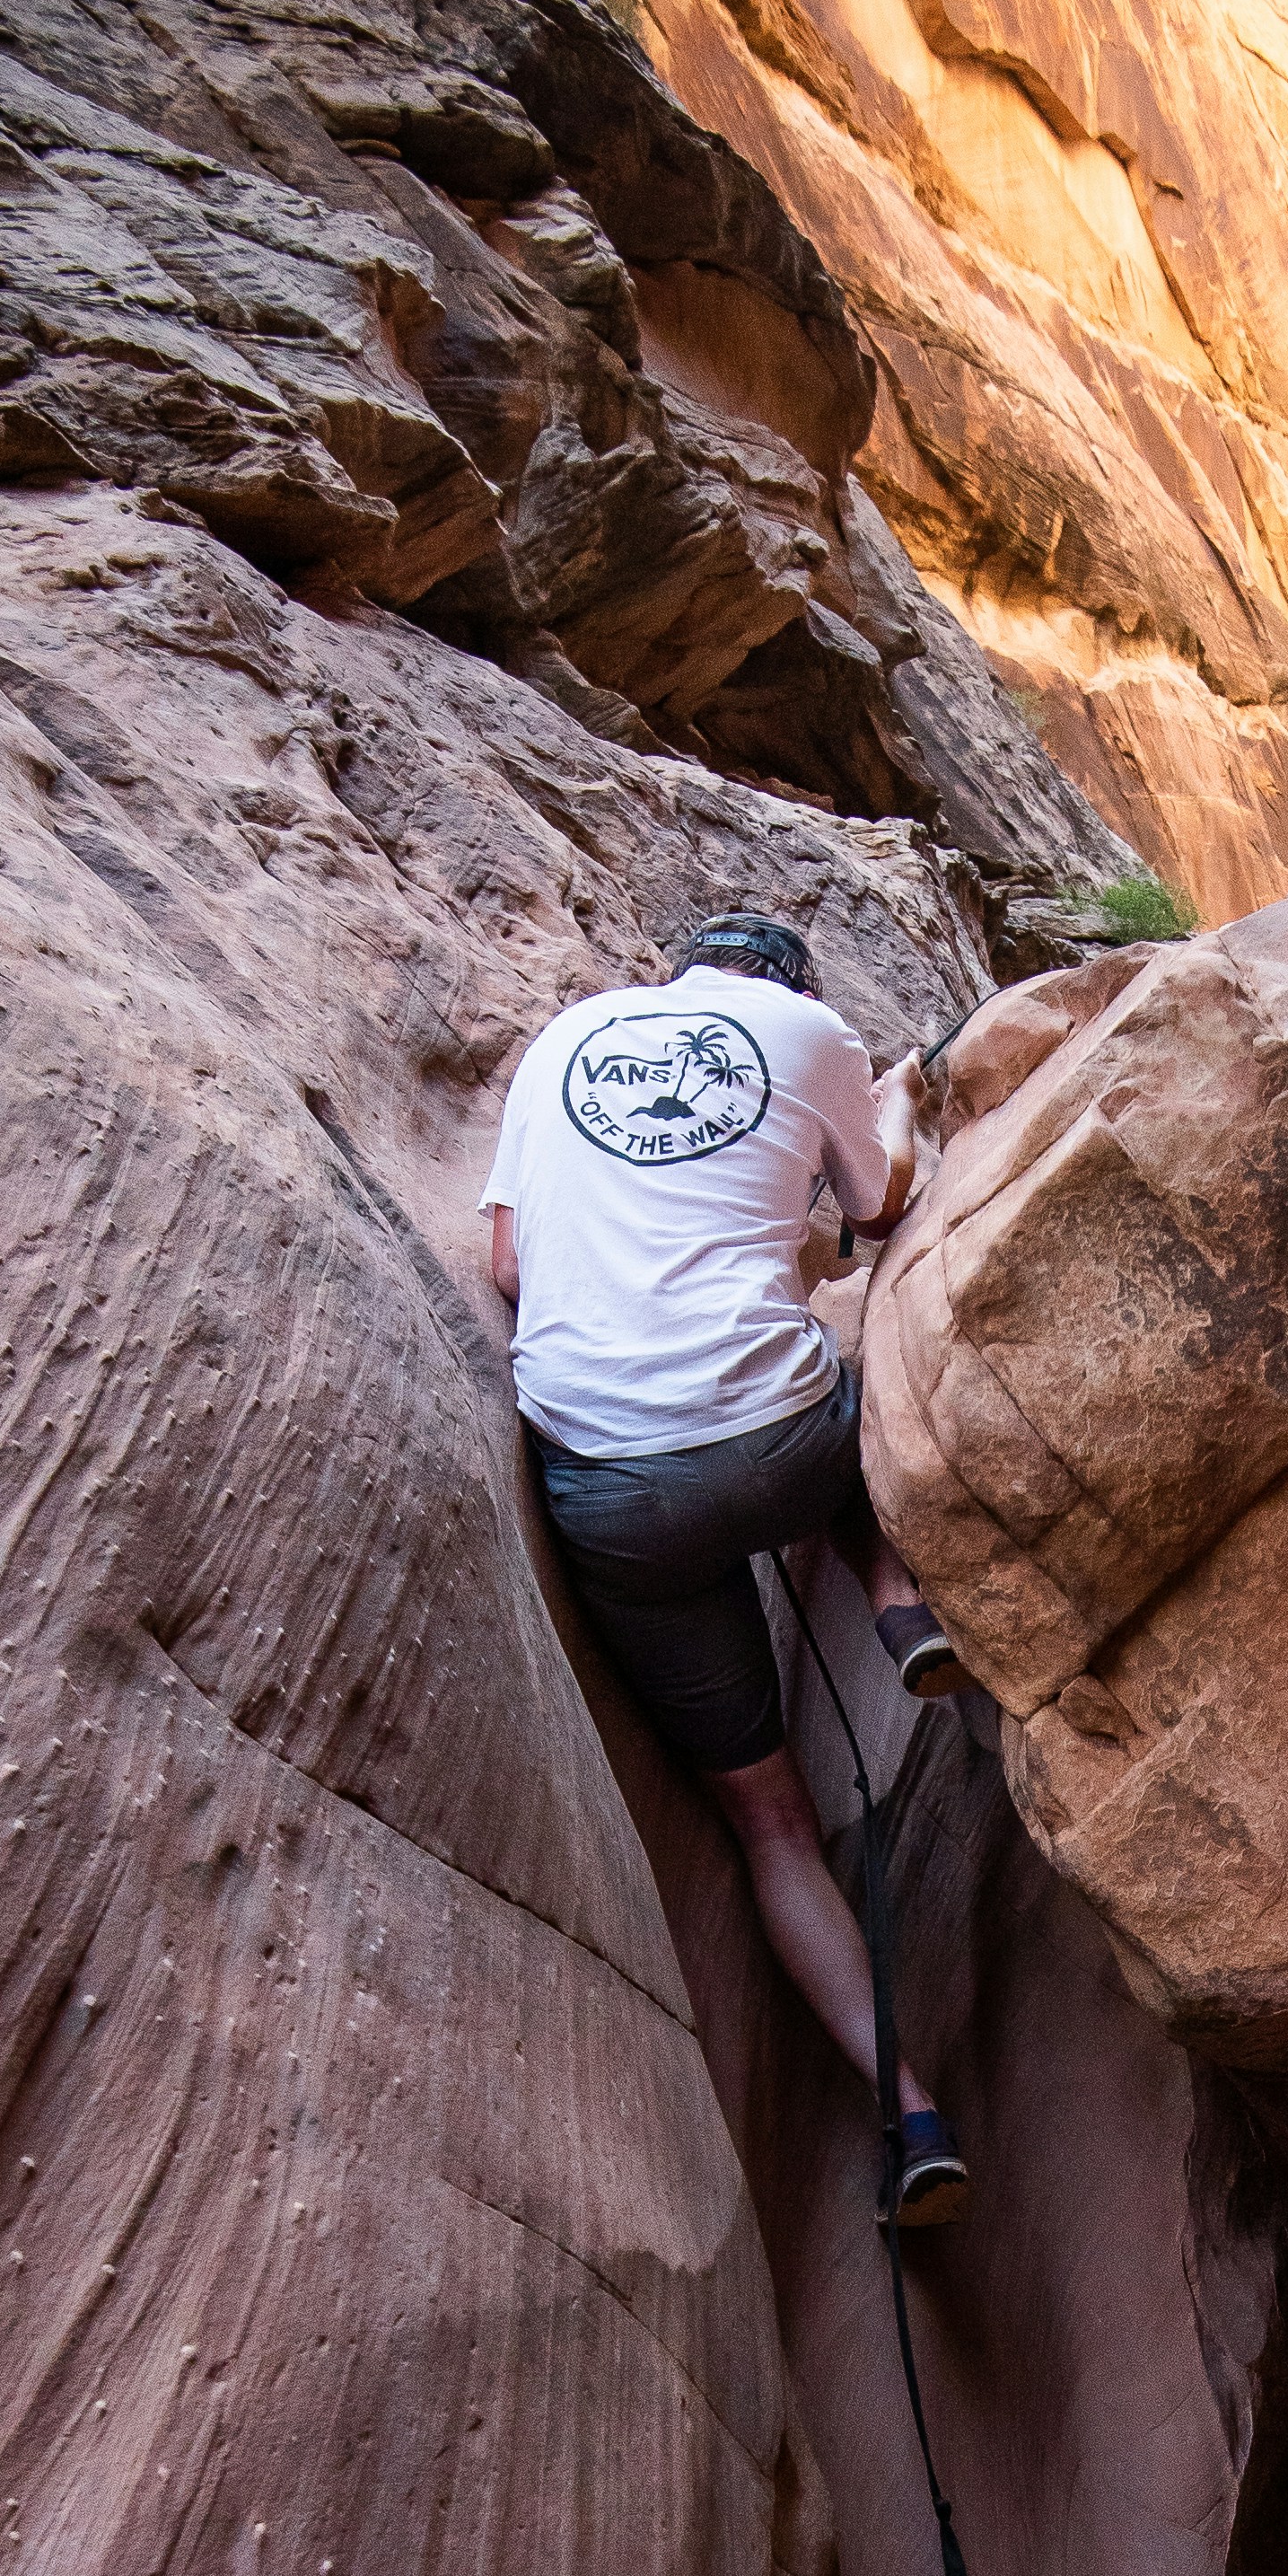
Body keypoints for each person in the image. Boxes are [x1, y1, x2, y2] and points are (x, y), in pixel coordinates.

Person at [483, 911, 977, 2229]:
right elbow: (879, 1211)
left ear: (682, 968)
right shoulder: (811, 1037)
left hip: (615, 1492)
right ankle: (895, 1603)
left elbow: (510, 1265)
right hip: (771, 1443)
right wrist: (890, 1104)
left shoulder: (560, 1044)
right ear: (794, 984)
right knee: (843, 1401)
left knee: (770, 1829)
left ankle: (910, 2113)